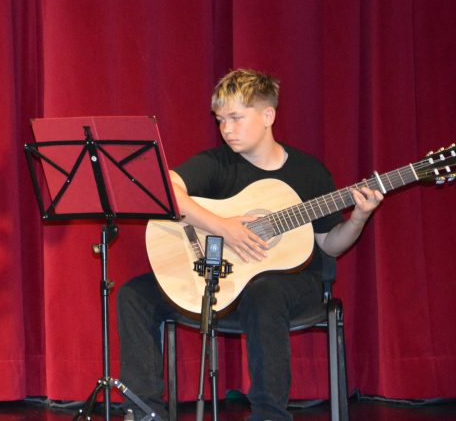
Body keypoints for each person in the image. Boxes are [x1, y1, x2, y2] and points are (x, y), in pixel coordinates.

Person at [116, 69, 383, 421]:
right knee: (134, 295)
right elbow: (165, 187)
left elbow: (330, 245)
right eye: (220, 120)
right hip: (223, 282)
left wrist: (359, 218)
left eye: (236, 118)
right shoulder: (218, 162)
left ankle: (269, 415)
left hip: (293, 284)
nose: (226, 129)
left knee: (265, 292)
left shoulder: (308, 171)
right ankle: (145, 413)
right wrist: (223, 228)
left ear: (268, 115)